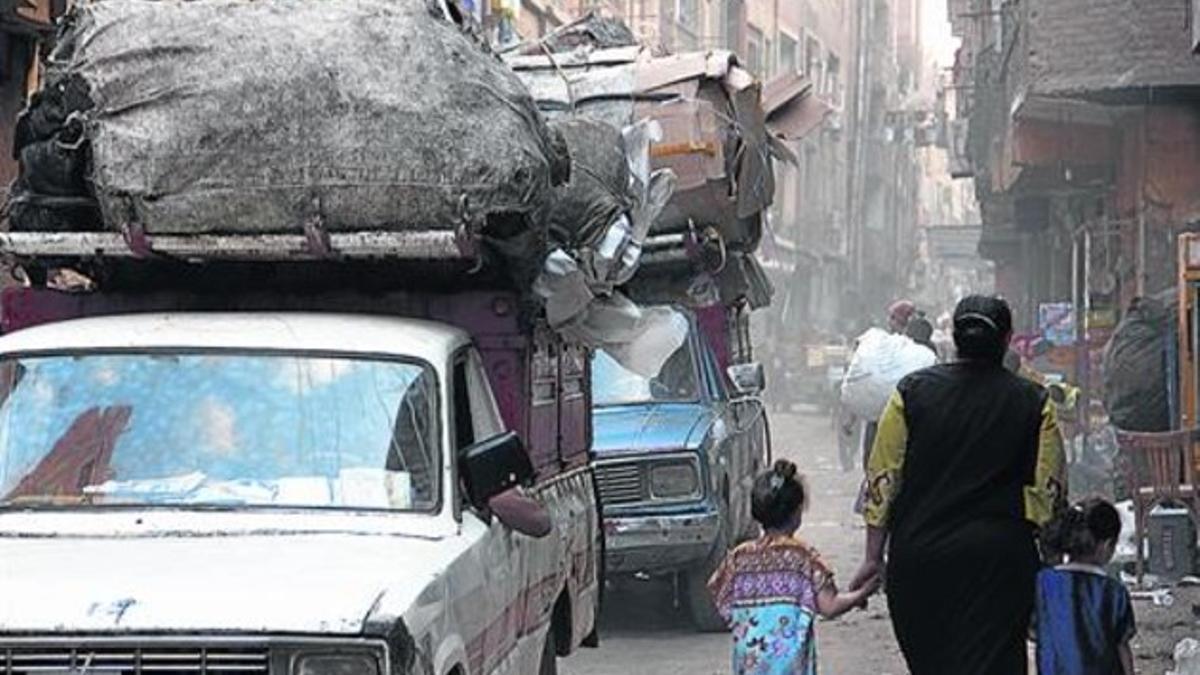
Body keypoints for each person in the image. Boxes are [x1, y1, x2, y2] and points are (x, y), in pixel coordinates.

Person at [850, 295, 1067, 674]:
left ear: (954, 337)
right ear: (1008, 340)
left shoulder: (910, 392)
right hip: (1000, 563)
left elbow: (883, 479)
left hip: (920, 561)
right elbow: (1048, 493)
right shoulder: (1035, 402)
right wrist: (1049, 564)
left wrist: (873, 556)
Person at [709, 460, 880, 675]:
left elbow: (718, 595)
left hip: (749, 662)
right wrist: (863, 592)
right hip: (790, 666)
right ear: (798, 512)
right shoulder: (804, 558)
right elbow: (830, 607)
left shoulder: (738, 558)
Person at [1035, 497, 1135, 675]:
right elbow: (1122, 648)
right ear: (1106, 546)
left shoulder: (1042, 584)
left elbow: (1034, 637)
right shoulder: (1113, 592)